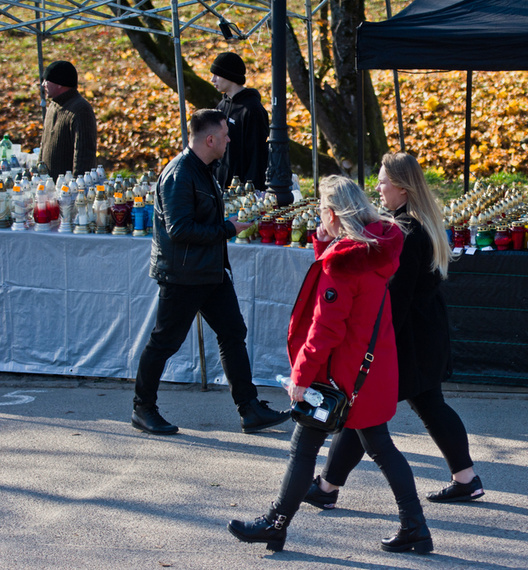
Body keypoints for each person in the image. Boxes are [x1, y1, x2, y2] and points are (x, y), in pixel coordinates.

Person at [228, 175, 433, 555]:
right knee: (380, 449)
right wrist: (326, 243)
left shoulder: (342, 265)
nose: (319, 215)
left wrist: (300, 378)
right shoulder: (374, 250)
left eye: (322, 209)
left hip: (340, 378)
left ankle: (277, 524)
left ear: (334, 213)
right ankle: (414, 526)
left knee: (305, 447)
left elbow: (324, 329)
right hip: (367, 371)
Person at [303, 153, 484, 511]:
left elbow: (395, 296)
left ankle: (327, 487)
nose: (378, 188)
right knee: (430, 406)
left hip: (406, 337)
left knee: (362, 411)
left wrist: (372, 343)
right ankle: (466, 479)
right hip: (422, 333)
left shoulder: (405, 230)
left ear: (401, 186)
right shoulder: (416, 223)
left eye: (383, 181)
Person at [132, 109, 289, 436]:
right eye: (225, 135)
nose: (229, 140)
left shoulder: (204, 170)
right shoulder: (180, 174)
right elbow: (179, 230)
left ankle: (249, 408)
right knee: (165, 342)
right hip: (184, 275)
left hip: (211, 273)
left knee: (233, 332)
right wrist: (227, 228)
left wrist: (224, 229)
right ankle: (142, 409)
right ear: (210, 139)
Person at [210, 53, 269, 191]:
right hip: (221, 187)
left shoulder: (252, 110)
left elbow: (257, 154)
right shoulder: (221, 106)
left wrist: (251, 189)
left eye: (217, 75)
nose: (212, 80)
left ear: (229, 76)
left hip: (243, 193)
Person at [39, 60, 97, 179]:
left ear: (60, 83)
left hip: (68, 191)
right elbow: (44, 143)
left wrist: (77, 187)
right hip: (48, 186)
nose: (43, 84)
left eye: (47, 80)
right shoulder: (53, 105)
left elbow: (84, 154)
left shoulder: (80, 110)